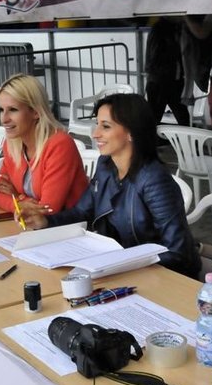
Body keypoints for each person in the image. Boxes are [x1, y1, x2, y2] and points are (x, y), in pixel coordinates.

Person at [23, 93, 201, 279]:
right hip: (121, 268)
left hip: (164, 277)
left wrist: (119, 262)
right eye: (97, 124)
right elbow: (81, 212)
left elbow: (177, 252)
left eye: (105, 126)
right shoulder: (106, 166)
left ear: (131, 132)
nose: (95, 133)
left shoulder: (154, 180)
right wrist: (46, 222)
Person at [0, 74, 88, 215]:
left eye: (13, 110)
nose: (4, 119)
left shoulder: (60, 145)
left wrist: (18, 198)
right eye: (1, 110)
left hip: (68, 225)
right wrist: (19, 204)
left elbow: (48, 209)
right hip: (33, 224)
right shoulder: (11, 144)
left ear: (36, 112)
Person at [145, 17, 190, 126]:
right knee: (157, 117)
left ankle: (185, 135)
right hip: (162, 80)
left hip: (170, 79)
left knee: (181, 115)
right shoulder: (161, 29)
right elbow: (155, 57)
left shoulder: (173, 28)